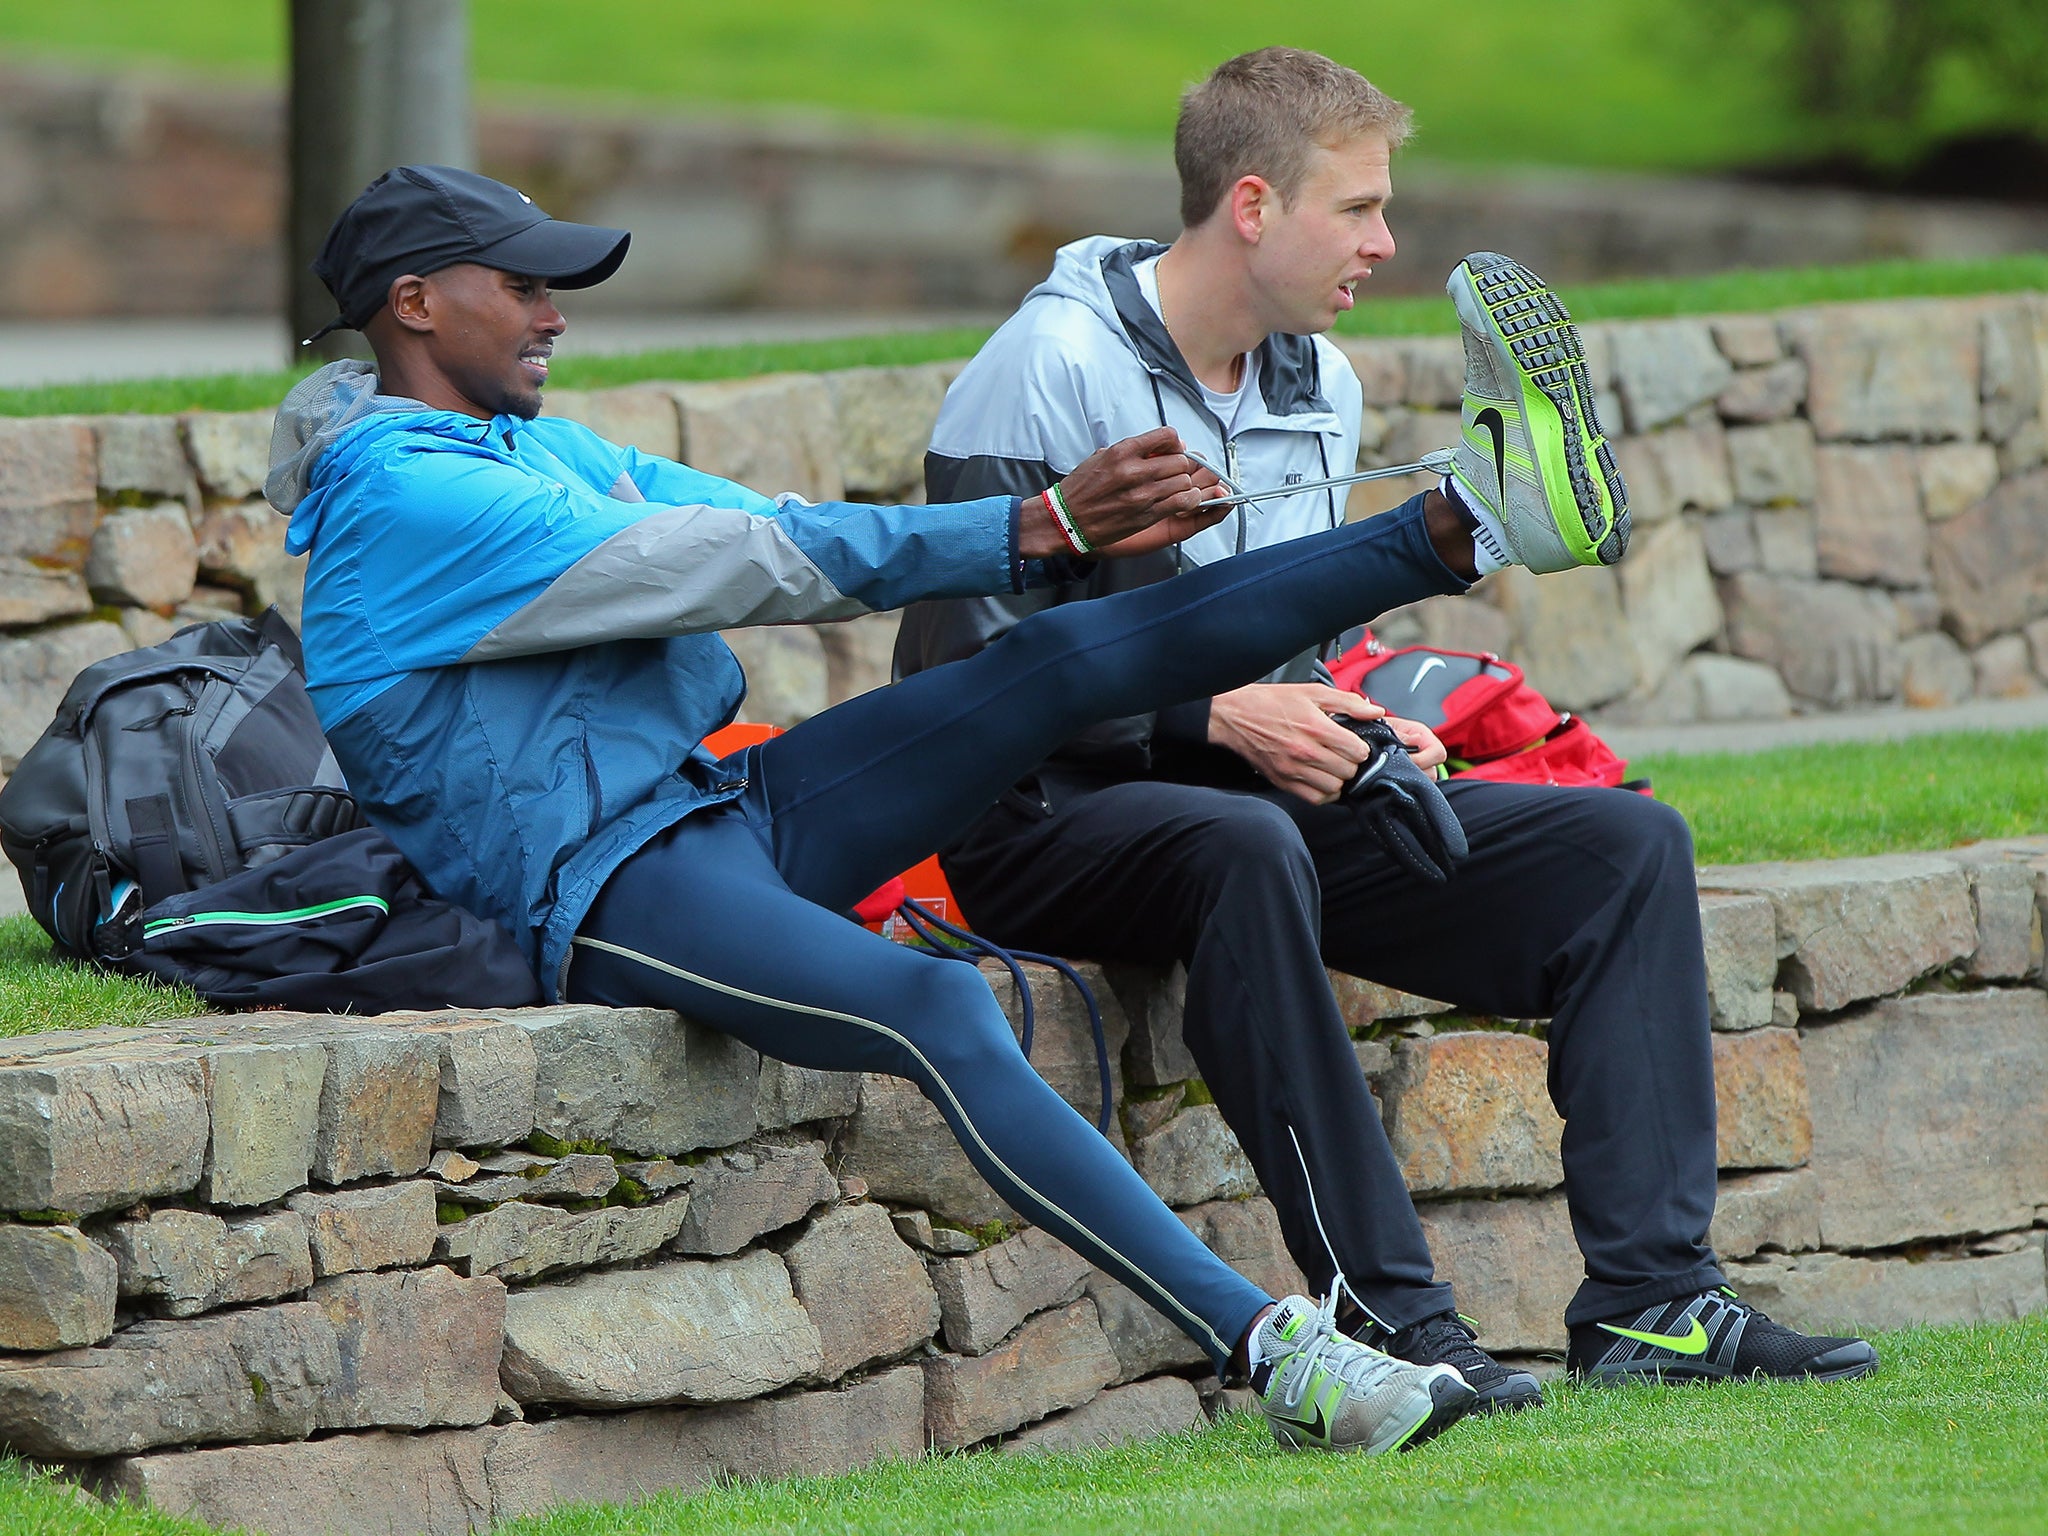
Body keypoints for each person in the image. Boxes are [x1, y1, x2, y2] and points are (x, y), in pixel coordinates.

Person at [262, 162, 1579, 1457]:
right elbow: (751, 562)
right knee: (940, 1008)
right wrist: (1035, 524)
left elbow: (778, 516)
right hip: (611, 889)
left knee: (1045, 668)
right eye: (523, 283)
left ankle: (1464, 522)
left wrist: (1041, 534)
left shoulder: (530, 447)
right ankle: (1283, 1357)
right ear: (415, 302)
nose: (555, 313)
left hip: (721, 803)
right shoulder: (406, 499)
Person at [894, 47, 1878, 1405]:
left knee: (1623, 851)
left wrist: (1357, 721)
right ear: (1253, 206)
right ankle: (1394, 1324)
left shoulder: (1324, 388)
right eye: (1357, 209)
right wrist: (1215, 711)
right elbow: (969, 667)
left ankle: (1655, 1304)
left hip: (1242, 803)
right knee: (1242, 847)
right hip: (1037, 819)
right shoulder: (1042, 367)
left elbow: (1282, 642)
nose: (1386, 239)